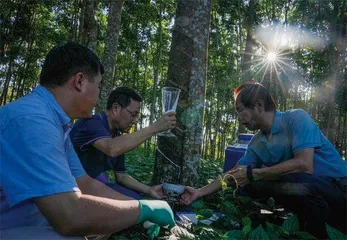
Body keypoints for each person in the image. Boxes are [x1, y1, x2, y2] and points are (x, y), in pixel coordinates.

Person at [0, 43, 175, 239]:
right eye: (99, 86)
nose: (100, 96)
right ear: (80, 81)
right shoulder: (33, 120)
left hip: (34, 221)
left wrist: (140, 210)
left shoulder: (56, 123)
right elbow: (69, 217)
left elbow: (85, 184)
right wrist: (143, 210)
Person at [181, 82, 347, 238]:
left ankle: (321, 232)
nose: (238, 117)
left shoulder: (297, 119)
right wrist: (199, 192)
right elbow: (234, 174)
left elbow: (304, 165)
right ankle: (274, 226)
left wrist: (256, 173)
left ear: (259, 106)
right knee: (242, 186)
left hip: (338, 188)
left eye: (240, 110)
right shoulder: (257, 142)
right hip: (308, 191)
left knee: (293, 180)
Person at [70, 87, 176, 200]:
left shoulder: (117, 136)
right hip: (75, 188)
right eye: (133, 114)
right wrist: (155, 127)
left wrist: (149, 190)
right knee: (136, 204)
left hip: (97, 186)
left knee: (137, 198)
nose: (135, 120)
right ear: (115, 108)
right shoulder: (91, 124)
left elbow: (121, 176)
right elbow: (111, 148)